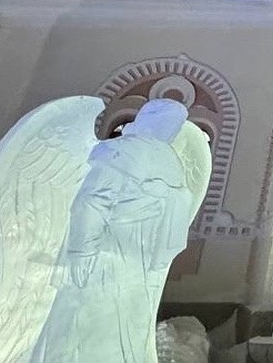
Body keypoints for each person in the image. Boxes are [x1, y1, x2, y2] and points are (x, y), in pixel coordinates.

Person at [31, 99, 198, 362]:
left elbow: (92, 202)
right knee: (123, 327)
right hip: (136, 258)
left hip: (105, 252)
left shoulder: (124, 151)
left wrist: (80, 250)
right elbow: (174, 218)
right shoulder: (172, 164)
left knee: (80, 321)